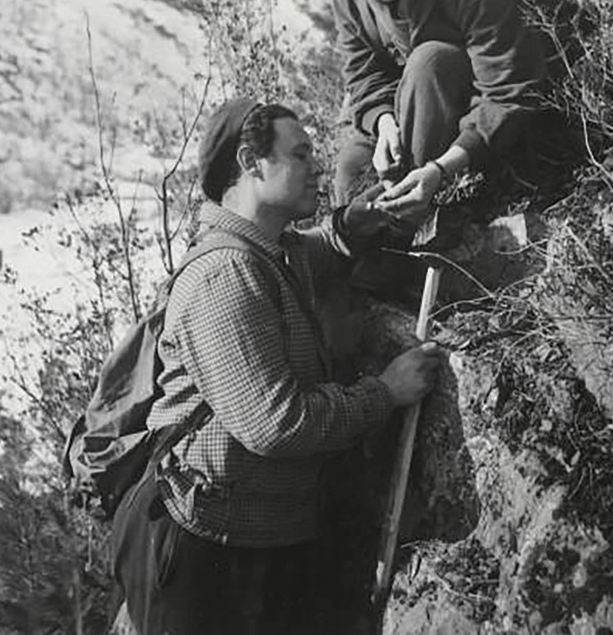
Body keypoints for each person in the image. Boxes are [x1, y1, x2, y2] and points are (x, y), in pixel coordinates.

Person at [110, 97, 443, 635]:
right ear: (250, 162)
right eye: (301, 153)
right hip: (203, 552)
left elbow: (317, 249)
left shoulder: (268, 252)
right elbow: (276, 424)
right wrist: (386, 391)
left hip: (248, 541)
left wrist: (359, 222)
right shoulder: (226, 274)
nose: (317, 165)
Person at [295, 0, 558, 225]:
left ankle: (408, 230)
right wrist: (384, 122)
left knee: (430, 61)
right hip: (437, 104)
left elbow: (509, 90)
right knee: (354, 160)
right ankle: (363, 245)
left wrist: (442, 168)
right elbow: (364, 74)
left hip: (535, 106)